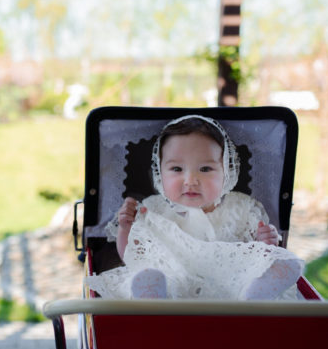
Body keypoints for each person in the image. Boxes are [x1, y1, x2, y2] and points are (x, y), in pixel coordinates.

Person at [84, 114, 304, 301]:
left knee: (280, 263)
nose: (190, 180)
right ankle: (153, 300)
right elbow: (135, 255)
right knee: (146, 274)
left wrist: (266, 243)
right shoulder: (153, 209)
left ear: (227, 171)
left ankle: (253, 297)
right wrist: (125, 228)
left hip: (228, 285)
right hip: (172, 284)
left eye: (205, 169)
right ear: (160, 172)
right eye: (177, 169)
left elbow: (257, 253)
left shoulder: (242, 207)